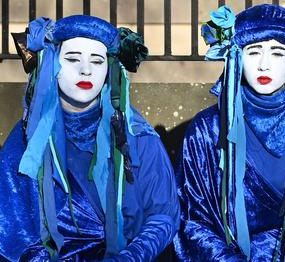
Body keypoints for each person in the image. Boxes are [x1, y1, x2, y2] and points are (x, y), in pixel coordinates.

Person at [174, 4, 285, 261]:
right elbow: (193, 221)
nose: (264, 65)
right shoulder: (206, 130)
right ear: (236, 57)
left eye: (277, 53)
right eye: (254, 52)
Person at [0, 15, 179, 261]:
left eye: (97, 61)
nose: (86, 70)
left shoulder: (139, 137)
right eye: (73, 59)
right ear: (52, 62)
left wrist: (128, 257)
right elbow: (15, 233)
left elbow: (163, 216)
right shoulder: (26, 142)